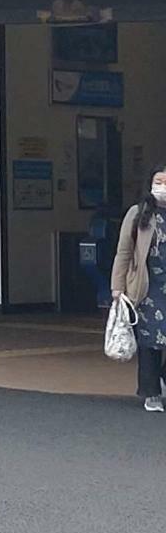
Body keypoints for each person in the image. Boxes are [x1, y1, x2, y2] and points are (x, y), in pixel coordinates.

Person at [112, 168, 166, 410]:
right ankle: (151, 392)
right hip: (146, 286)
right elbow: (124, 251)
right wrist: (117, 287)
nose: (162, 186)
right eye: (158, 181)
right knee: (150, 340)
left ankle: (161, 377)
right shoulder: (138, 213)